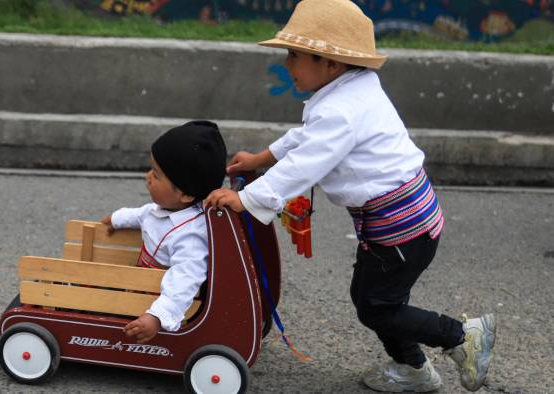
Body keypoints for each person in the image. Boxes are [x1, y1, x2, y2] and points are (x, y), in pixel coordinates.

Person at [204, 0, 495, 392]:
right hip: (402, 223)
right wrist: (263, 156)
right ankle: (414, 368)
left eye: (295, 55)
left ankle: (461, 336)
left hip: (400, 228)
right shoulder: (351, 90)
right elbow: (307, 139)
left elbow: (307, 161)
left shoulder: (341, 110)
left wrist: (249, 198)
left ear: (331, 63)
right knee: (374, 300)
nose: (288, 64)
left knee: (377, 305)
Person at [101, 120, 227, 344]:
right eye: (151, 168)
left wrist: (157, 316)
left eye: (157, 175)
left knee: (97, 295)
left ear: (186, 194)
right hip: (138, 287)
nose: (148, 176)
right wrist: (117, 219)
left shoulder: (190, 236)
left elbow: (184, 279)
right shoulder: (168, 208)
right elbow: (143, 214)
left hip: (153, 298)